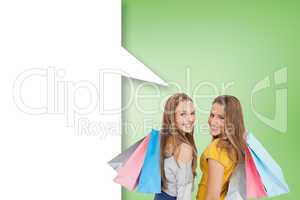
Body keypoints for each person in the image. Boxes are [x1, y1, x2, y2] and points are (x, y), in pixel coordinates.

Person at [196, 95, 247, 200]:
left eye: (221, 117)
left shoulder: (217, 148)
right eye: (212, 115)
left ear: (232, 121)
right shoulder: (234, 147)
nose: (213, 121)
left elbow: (212, 197)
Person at [154, 93, 198, 200]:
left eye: (192, 113)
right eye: (183, 114)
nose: (191, 119)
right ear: (171, 117)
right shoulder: (184, 149)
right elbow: (184, 196)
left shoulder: (160, 139)